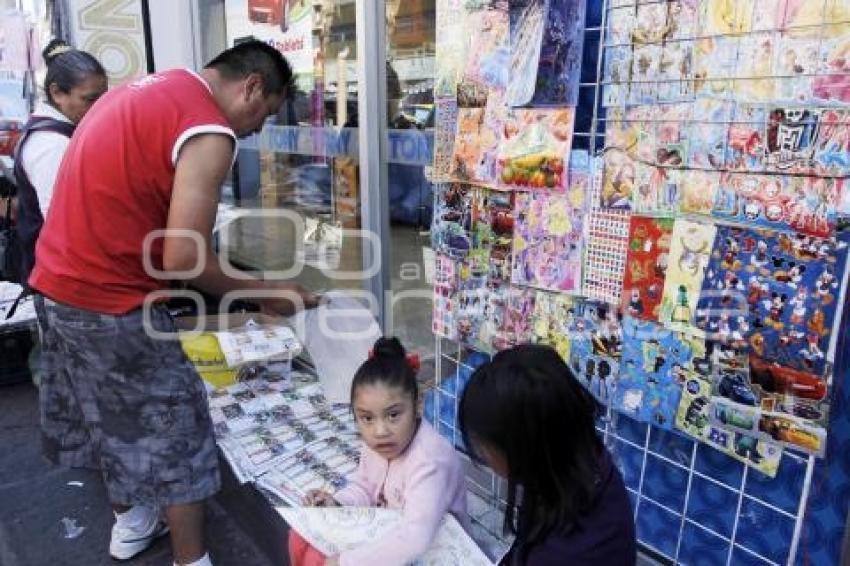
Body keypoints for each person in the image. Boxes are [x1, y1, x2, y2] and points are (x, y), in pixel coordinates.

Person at [29, 41, 318, 566]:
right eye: (265, 114)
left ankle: (133, 524)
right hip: (108, 299)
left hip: (56, 285)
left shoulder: (151, 88)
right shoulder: (210, 129)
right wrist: (269, 293)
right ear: (251, 86)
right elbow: (183, 256)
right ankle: (193, 560)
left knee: (102, 417)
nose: (258, 131)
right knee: (179, 430)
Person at [289, 337, 469, 566]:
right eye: (367, 418)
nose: (380, 431)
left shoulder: (429, 461)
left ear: (418, 404)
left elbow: (414, 539)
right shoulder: (379, 443)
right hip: (390, 529)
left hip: (438, 550)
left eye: (393, 415)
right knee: (300, 537)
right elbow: (365, 486)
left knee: (319, 559)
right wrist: (337, 504)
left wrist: (345, 562)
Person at [459, 344, 637, 565]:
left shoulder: (566, 552)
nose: (480, 452)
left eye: (483, 446)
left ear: (522, 448)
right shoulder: (582, 462)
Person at [12, 39, 106, 381]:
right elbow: (66, 222)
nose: (96, 108)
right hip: (63, 283)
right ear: (57, 93)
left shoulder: (56, 132)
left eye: (102, 97)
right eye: (89, 99)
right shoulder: (52, 144)